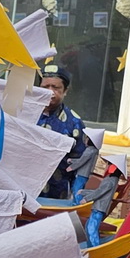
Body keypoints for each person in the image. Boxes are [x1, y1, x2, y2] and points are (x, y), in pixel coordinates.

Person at [35, 65, 88, 200]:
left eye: (55, 87)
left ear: (65, 91)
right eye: (45, 87)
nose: (50, 92)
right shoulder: (24, 115)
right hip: (22, 191)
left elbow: (81, 165)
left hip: (56, 195)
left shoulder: (74, 123)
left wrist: (76, 198)